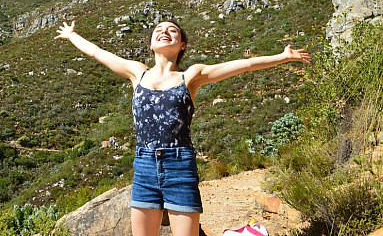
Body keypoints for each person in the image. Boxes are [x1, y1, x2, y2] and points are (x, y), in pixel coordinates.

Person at [54, 19, 311, 236]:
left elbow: (242, 65)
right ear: (151, 43)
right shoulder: (137, 72)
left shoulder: (190, 76)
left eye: (172, 30)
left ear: (182, 45)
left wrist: (283, 57)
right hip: (144, 165)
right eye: (158, 30)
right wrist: (72, 35)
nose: (164, 31)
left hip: (179, 164)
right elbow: (98, 53)